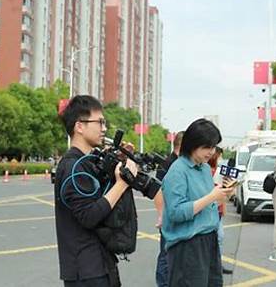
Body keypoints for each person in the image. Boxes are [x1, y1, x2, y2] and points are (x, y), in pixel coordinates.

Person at [53, 95, 139, 287]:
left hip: (97, 264)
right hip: (86, 270)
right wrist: (122, 183)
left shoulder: (86, 162)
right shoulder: (72, 167)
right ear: (80, 126)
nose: (104, 128)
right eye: (99, 122)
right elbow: (89, 216)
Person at [162, 119, 235, 287]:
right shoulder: (178, 170)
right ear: (192, 144)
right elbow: (176, 212)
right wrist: (212, 197)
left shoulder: (203, 168)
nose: (211, 152)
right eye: (206, 147)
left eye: (214, 147)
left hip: (209, 240)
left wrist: (224, 194)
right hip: (188, 245)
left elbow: (206, 206)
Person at [154, 131, 183, 287]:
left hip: (175, 214)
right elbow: (158, 191)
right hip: (168, 216)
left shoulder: (178, 163)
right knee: (166, 254)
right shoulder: (168, 163)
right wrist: (161, 215)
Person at [209, 147, 233, 275]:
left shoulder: (219, 171)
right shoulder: (206, 170)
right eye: (219, 157)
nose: (220, 160)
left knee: (219, 237)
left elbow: (222, 193)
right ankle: (214, 266)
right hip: (208, 209)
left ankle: (217, 265)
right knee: (216, 237)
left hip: (217, 209)